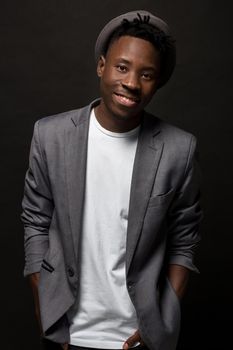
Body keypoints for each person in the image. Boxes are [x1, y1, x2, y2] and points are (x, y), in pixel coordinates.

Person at [21, 10, 203, 350]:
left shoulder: (179, 149)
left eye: (146, 74)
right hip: (66, 333)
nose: (132, 83)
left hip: (138, 338)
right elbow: (35, 222)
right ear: (101, 65)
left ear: (158, 81)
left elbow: (184, 242)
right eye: (122, 67)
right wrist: (44, 306)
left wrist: (162, 323)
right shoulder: (51, 136)